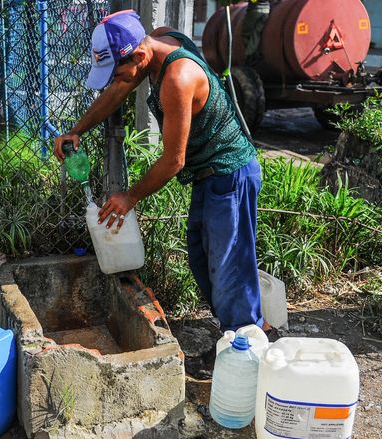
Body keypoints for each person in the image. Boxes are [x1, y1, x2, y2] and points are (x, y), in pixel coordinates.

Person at [54, 10, 276, 337]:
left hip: (231, 173)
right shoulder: (159, 38)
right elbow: (119, 90)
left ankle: (248, 341)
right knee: (204, 262)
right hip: (209, 176)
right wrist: (77, 130)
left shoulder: (177, 78)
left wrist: (130, 197)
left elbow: (173, 160)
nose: (116, 82)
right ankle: (242, 333)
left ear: (140, 56)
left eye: (117, 72)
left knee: (230, 269)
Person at [242, 0, 271, 67]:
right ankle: (252, 53)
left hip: (255, 10)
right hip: (266, 11)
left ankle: (250, 55)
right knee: (256, 32)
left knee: (245, 33)